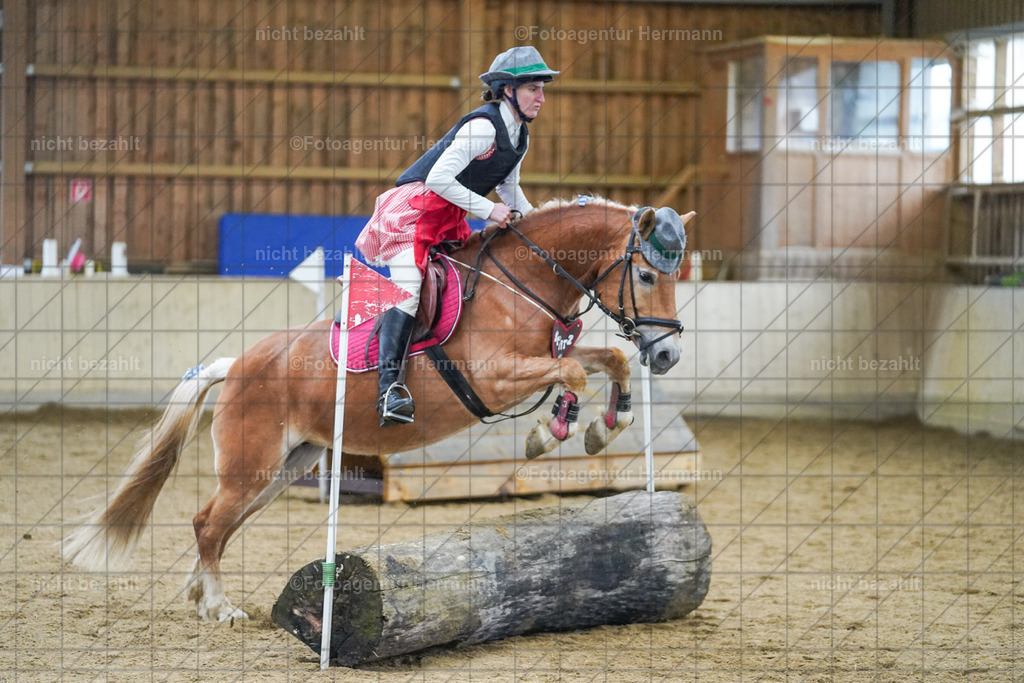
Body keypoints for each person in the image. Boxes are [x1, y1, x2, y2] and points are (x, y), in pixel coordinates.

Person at [355, 46, 559, 427]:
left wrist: (536, 230)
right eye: (534, 89)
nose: (542, 98)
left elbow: (510, 189)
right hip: (412, 213)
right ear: (508, 90)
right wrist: (488, 210)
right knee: (409, 287)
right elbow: (436, 180)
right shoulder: (483, 127)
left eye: (541, 89)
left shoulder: (520, 137)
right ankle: (389, 390)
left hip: (446, 217)